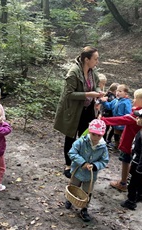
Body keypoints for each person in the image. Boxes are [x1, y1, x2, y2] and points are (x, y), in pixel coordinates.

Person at [53, 46, 104, 178]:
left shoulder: (93, 71)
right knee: (71, 136)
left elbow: (97, 83)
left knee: (84, 137)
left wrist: (97, 92)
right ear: (86, 59)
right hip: (74, 110)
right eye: (95, 59)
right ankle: (68, 164)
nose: (97, 61)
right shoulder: (74, 72)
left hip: (88, 109)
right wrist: (88, 93)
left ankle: (81, 163)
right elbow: (69, 94)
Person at [100, 88, 142, 192]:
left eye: (135, 98)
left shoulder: (137, 115)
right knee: (130, 162)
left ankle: (123, 183)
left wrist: (103, 120)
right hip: (134, 144)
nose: (132, 100)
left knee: (126, 162)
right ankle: (127, 181)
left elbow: (121, 120)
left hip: (129, 144)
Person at [64, 119, 109, 222]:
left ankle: (84, 209)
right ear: (89, 132)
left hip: (90, 175)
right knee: (74, 185)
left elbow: (104, 160)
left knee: (87, 191)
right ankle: (70, 199)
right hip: (78, 170)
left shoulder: (103, 147)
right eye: (94, 134)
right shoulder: (81, 141)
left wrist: (95, 165)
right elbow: (72, 152)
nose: (96, 138)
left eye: (99, 135)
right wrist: (82, 162)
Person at [101, 84, 132, 150]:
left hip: (123, 123)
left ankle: (123, 146)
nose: (118, 92)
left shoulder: (126, 102)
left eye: (120, 91)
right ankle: (117, 145)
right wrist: (104, 102)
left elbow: (128, 113)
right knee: (116, 133)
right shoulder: (115, 100)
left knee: (123, 135)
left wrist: (126, 119)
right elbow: (109, 106)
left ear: (125, 93)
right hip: (116, 122)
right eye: (117, 91)